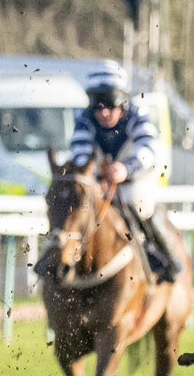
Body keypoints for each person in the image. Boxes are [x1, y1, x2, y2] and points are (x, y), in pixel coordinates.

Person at [67, 60, 182, 283]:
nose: (104, 112)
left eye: (110, 103)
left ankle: (167, 261)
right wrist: (95, 178)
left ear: (122, 100)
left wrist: (125, 169)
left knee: (141, 206)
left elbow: (149, 147)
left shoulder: (137, 116)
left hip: (134, 182)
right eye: (98, 104)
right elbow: (80, 154)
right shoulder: (84, 119)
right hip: (99, 185)